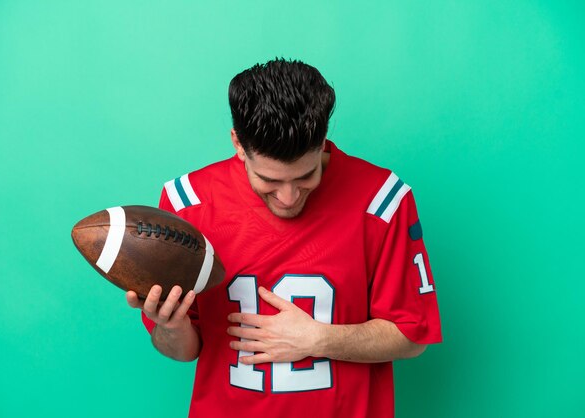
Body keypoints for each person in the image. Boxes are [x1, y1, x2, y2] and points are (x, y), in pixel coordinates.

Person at [126, 58, 442, 418]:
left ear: (322, 141)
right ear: (238, 144)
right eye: (270, 181)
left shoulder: (382, 201)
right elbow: (183, 351)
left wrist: (317, 338)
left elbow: (413, 335)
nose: (289, 197)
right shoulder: (188, 203)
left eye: (305, 176)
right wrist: (171, 326)